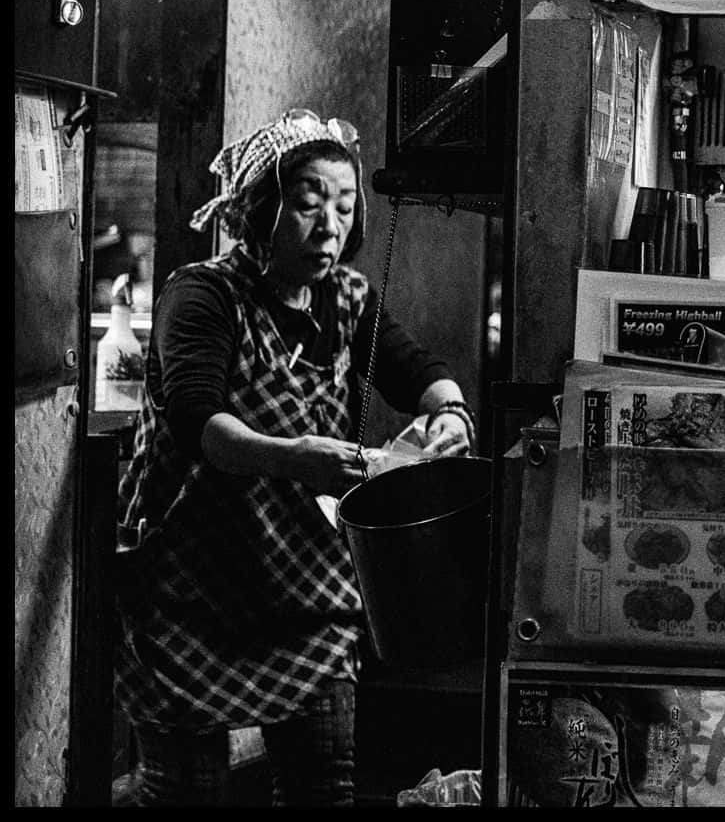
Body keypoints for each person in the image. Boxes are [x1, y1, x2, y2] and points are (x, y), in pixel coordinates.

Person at [114, 108, 475, 807]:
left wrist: (450, 412)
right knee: (184, 792)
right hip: (192, 587)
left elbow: (417, 370)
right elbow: (201, 424)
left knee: (322, 788)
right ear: (259, 209)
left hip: (307, 589)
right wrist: (295, 458)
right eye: (308, 204)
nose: (329, 224)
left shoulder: (348, 298)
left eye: (343, 207)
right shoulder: (203, 295)